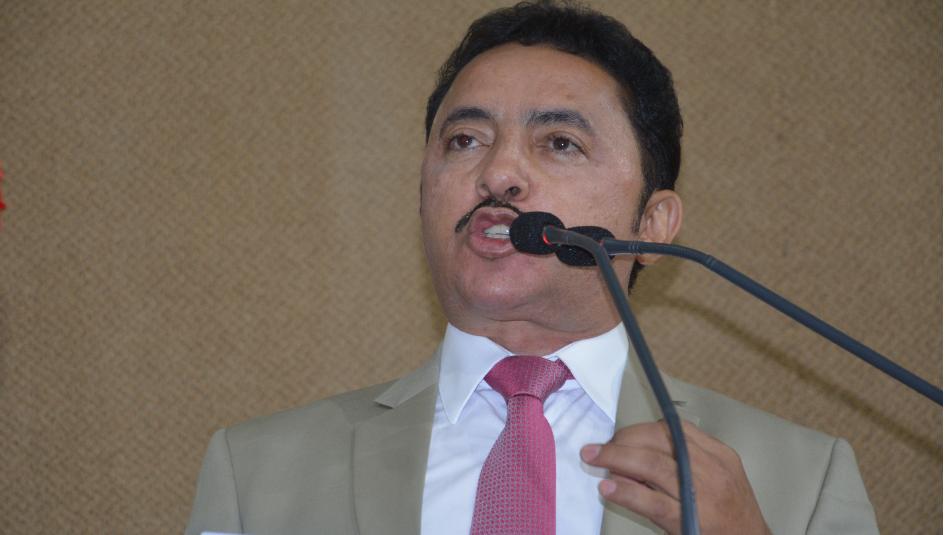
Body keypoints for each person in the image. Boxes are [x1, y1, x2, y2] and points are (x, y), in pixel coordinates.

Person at [186, 2, 878, 534]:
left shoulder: (805, 479)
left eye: (560, 143)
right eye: (465, 140)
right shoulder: (256, 474)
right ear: (422, 193)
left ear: (652, 224)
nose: (499, 174)